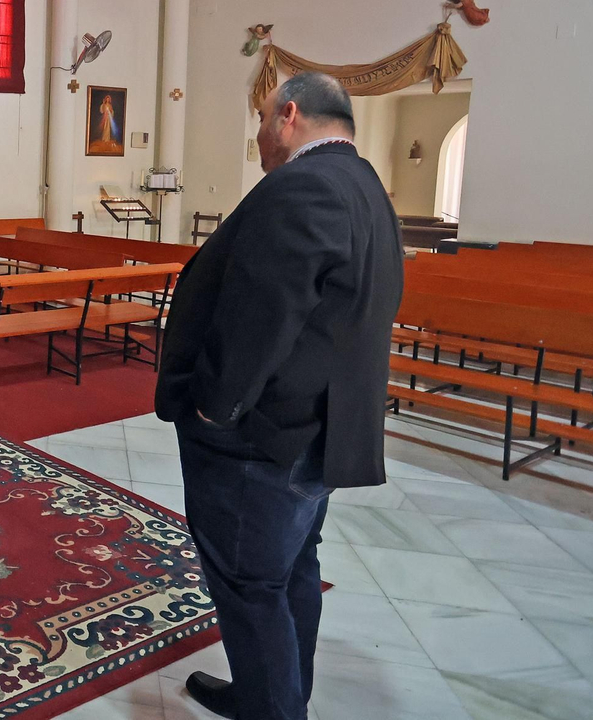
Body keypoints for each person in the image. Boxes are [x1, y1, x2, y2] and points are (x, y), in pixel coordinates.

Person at [154, 72, 403, 720]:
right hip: (315, 431)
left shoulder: (302, 187)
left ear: (288, 115)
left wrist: (215, 407)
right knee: (289, 570)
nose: (259, 136)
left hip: (262, 440)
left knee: (251, 584)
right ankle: (274, 694)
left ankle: (275, 707)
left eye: (262, 120)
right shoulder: (365, 185)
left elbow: (260, 318)